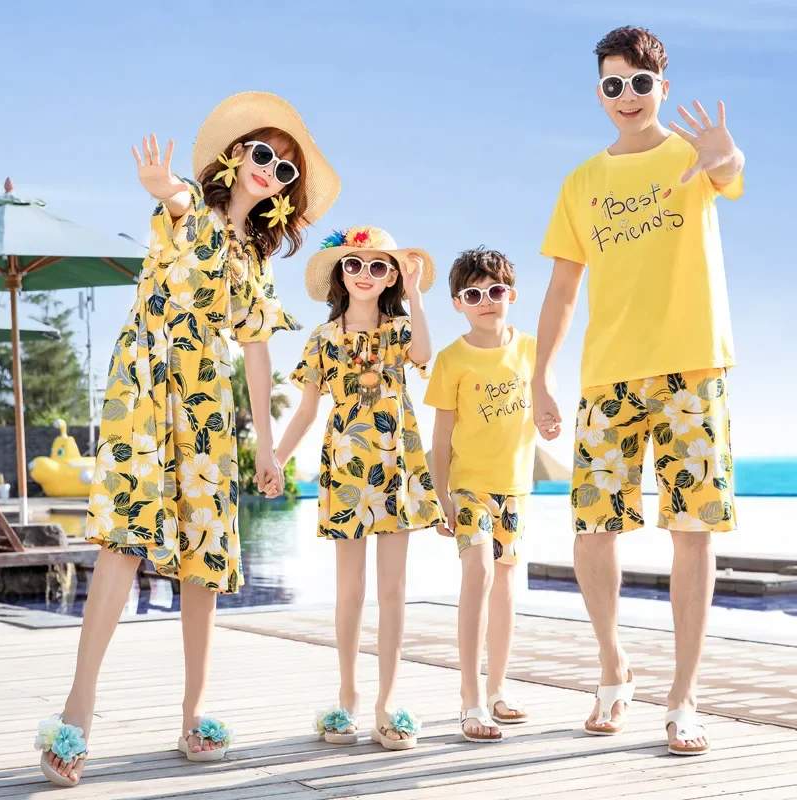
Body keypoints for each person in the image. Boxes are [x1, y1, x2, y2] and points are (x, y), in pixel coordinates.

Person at [34, 92, 340, 787]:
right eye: (264, 155)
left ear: (287, 195)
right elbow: (175, 197)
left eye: (286, 171)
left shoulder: (257, 264)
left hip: (207, 408)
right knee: (123, 542)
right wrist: (161, 185)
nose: (271, 171)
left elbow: (256, 355)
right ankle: (76, 714)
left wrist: (268, 446)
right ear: (236, 156)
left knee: (203, 553)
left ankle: (193, 709)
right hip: (143, 387)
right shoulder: (190, 213)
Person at [533, 27, 744, 756]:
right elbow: (562, 291)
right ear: (600, 92)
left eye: (640, 83)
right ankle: (614, 664)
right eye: (613, 84)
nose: (627, 96)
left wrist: (725, 152)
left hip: (692, 366)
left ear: (663, 86)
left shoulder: (694, 155)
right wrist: (541, 378)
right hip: (607, 376)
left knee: (693, 529)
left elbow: (729, 168)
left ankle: (684, 696)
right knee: (592, 528)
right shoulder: (581, 182)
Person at [270, 225, 443, 751]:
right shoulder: (321, 340)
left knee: (393, 592)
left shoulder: (398, 329)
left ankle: (387, 703)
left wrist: (414, 293)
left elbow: (422, 354)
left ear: (390, 275)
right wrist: (276, 457)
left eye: (377, 265)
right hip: (346, 466)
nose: (365, 273)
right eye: (354, 263)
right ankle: (346, 696)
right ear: (338, 274)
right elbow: (304, 411)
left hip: (398, 463)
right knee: (350, 592)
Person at [426, 247, 536, 743]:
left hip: (515, 488)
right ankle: (469, 697)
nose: (486, 301)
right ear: (458, 303)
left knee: (509, 588)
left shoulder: (532, 350)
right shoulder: (451, 361)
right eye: (474, 294)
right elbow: (441, 437)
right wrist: (440, 497)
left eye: (495, 291)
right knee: (480, 571)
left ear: (510, 294)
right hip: (468, 487)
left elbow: (547, 403)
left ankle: (497, 688)